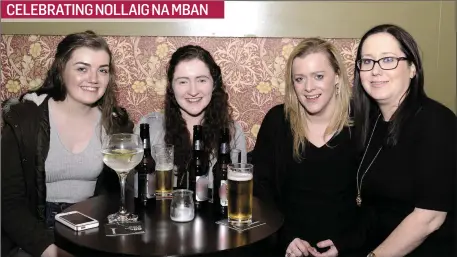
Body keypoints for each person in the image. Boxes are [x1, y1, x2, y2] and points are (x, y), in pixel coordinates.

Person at [310, 24, 456, 257]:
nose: (375, 71)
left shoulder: (436, 122)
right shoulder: (371, 121)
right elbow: (374, 208)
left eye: (387, 60)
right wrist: (343, 244)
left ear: (412, 68)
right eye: (367, 61)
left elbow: (429, 217)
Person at [2, 31, 134, 257]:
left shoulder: (114, 124)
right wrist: (49, 249)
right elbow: (8, 203)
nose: (94, 78)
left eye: (102, 70)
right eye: (82, 68)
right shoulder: (25, 120)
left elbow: (118, 196)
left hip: (90, 230)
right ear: (61, 70)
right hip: (34, 234)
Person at [251, 38, 360, 257]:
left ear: (337, 77)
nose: (309, 88)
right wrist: (285, 237)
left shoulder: (361, 123)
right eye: (299, 79)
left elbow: (376, 200)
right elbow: (260, 188)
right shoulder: (278, 121)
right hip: (286, 245)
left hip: (347, 246)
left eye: (319, 76)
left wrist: (345, 243)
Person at [134, 45, 246, 190]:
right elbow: (138, 190)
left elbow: (237, 193)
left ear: (214, 84)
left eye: (201, 80)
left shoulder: (232, 132)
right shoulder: (149, 128)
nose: (193, 91)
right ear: (171, 88)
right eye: (183, 81)